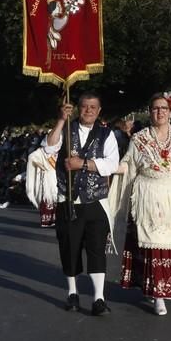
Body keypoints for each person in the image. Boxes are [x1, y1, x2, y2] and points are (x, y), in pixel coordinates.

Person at [110, 93, 171, 316]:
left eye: (163, 108)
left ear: (170, 111)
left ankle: (165, 288)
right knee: (152, 244)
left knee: (170, 242)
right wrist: (100, 167)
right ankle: (157, 294)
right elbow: (128, 165)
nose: (159, 112)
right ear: (150, 112)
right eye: (154, 108)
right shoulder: (139, 139)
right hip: (147, 193)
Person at [41, 93, 119, 316]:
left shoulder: (107, 134)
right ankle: (72, 293)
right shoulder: (66, 129)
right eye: (84, 107)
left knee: (96, 250)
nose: (88, 111)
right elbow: (48, 148)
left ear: (99, 110)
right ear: (78, 109)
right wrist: (60, 120)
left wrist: (82, 164)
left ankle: (98, 298)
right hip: (69, 200)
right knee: (69, 247)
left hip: (96, 201)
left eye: (93, 107)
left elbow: (112, 163)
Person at [25, 147, 58, 228]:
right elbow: (31, 157)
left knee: (56, 197)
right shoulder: (42, 151)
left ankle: (56, 219)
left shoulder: (59, 149)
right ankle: (47, 220)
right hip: (47, 177)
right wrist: (42, 166)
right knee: (47, 197)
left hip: (57, 176)